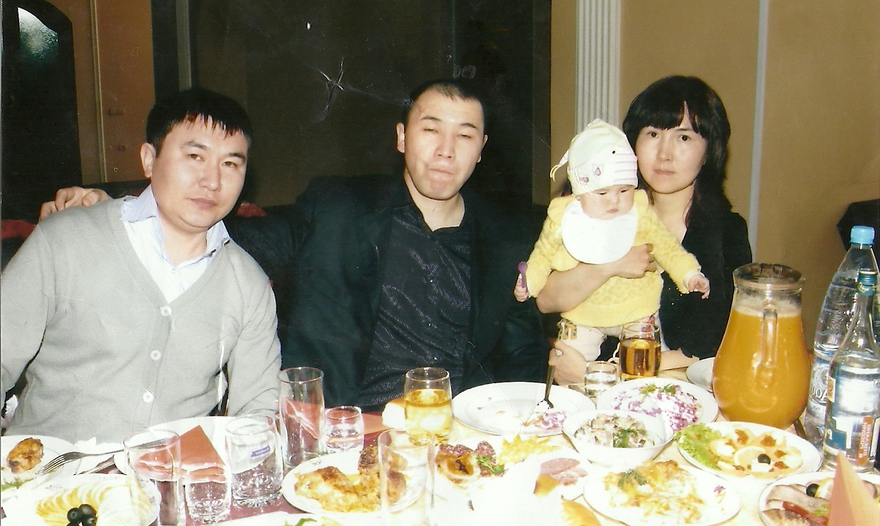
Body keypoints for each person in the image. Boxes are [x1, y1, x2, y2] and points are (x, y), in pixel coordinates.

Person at [43, 79, 549, 411]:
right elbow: (227, 230)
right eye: (430, 129)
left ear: (481, 149)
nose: (445, 151)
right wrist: (117, 205)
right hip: (347, 435)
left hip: (459, 437)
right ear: (401, 137)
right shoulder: (338, 208)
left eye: (465, 136)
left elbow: (522, 355)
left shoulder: (507, 235)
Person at [3, 88, 282, 442]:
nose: (212, 181)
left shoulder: (249, 286)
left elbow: (258, 412)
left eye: (230, 164)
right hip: (46, 471)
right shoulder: (66, 239)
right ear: (149, 160)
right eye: (195, 156)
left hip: (172, 475)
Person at [537, 76, 752, 385]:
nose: (664, 154)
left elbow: (718, 342)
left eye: (683, 138)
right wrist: (609, 266)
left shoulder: (726, 231)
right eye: (652, 134)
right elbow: (545, 301)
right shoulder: (596, 207)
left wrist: (609, 373)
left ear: (709, 151)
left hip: (673, 391)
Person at [515, 118, 709, 363]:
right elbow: (542, 256)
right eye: (602, 193)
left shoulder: (640, 213)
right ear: (580, 193)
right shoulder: (564, 219)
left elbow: (669, 248)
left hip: (637, 309)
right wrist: (529, 282)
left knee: (645, 362)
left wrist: (689, 274)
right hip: (582, 315)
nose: (614, 201)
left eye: (624, 190)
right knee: (568, 361)